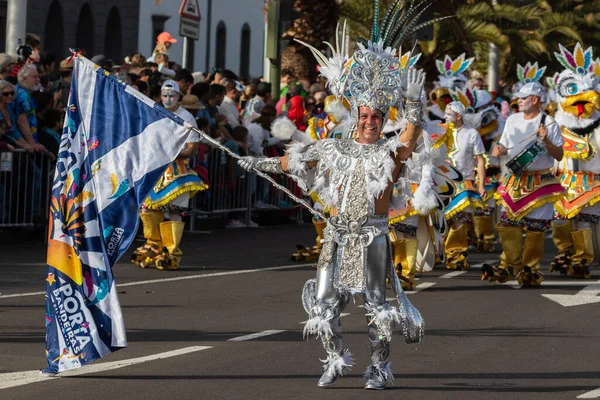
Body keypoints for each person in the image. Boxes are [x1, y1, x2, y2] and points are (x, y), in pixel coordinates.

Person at [238, 37, 428, 389]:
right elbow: (292, 161)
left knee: (376, 307)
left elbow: (411, 139)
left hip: (372, 236)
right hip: (337, 234)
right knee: (324, 305)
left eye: (376, 117)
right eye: (365, 116)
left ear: (383, 120)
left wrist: (415, 104)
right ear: (356, 117)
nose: (370, 122)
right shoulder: (333, 147)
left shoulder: (391, 151)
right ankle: (335, 361)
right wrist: (254, 162)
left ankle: (378, 368)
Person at [483, 82, 564, 286]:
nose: (518, 100)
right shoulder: (512, 119)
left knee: (536, 227)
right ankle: (510, 265)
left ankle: (531, 269)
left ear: (534, 100)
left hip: (540, 180)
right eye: (517, 97)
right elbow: (504, 144)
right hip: (514, 179)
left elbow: (560, 155)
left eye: (522, 97)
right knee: (508, 223)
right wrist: (498, 150)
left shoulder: (549, 122)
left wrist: (547, 142)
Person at [131, 80, 208, 270]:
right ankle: (153, 245)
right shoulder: (155, 112)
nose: (167, 99)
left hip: (177, 172)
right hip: (155, 171)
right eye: (164, 95)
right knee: (148, 208)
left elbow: (191, 150)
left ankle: (171, 251)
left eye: (171, 96)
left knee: (174, 210)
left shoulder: (187, 118)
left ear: (178, 97)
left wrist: (170, 153)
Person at [548, 43, 600, 279]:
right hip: (563, 182)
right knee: (559, 221)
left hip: (592, 182)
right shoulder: (555, 124)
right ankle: (565, 253)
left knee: (584, 222)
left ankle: (582, 260)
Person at [442, 100, 486, 270]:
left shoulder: (471, 133)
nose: (445, 117)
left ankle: (456, 255)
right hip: (442, 183)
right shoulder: (440, 131)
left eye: (448, 114)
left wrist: (480, 185)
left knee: (460, 220)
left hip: (464, 182)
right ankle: (441, 252)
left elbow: (480, 160)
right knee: (441, 221)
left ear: (458, 116)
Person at [11, 64, 46, 153]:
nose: (38, 79)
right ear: (24, 79)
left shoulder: (24, 93)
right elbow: (22, 121)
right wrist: (32, 143)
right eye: (34, 77)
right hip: (22, 145)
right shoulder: (22, 95)